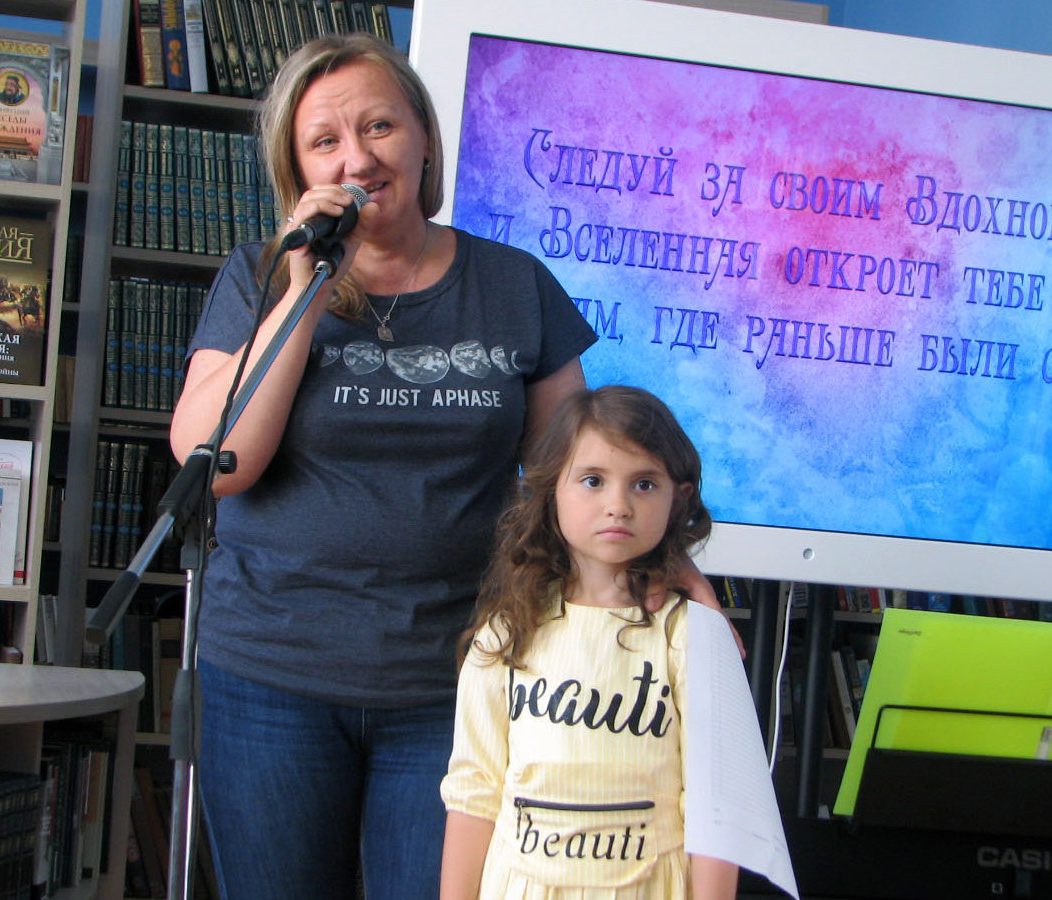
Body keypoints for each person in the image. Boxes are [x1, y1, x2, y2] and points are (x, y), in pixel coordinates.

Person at [168, 31, 599, 900]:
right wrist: (305, 288)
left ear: (424, 140)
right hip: (270, 678)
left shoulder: (515, 285)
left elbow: (577, 482)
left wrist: (667, 577)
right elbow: (216, 464)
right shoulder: (258, 278)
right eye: (325, 140)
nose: (357, 158)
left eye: (379, 127)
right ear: (298, 170)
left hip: (457, 680)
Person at [439, 384, 739, 900]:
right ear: (551, 488)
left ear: (678, 499)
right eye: (593, 480)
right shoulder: (505, 634)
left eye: (644, 484)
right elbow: (474, 793)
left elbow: (716, 805)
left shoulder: (687, 637)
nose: (618, 505)